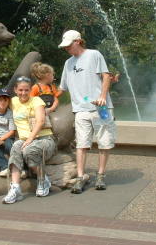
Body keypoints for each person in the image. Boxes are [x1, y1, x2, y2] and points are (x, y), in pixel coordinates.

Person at [58, 30, 118, 194]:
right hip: (80, 110)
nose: (67, 48)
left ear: (78, 41)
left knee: (104, 142)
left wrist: (102, 97)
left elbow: (106, 76)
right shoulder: (68, 63)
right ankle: (80, 176)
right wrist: (44, 98)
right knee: (81, 144)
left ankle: (100, 175)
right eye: (65, 46)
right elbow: (61, 89)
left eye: (69, 45)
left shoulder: (94, 55)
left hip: (102, 108)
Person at [2, 76, 57, 204]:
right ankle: (15, 188)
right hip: (24, 139)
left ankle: (43, 180)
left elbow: (41, 120)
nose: (23, 93)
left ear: (30, 90)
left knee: (29, 150)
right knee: (16, 147)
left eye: (26, 90)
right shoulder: (13, 101)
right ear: (15, 90)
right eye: (20, 90)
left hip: (43, 138)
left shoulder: (36, 100)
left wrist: (30, 138)